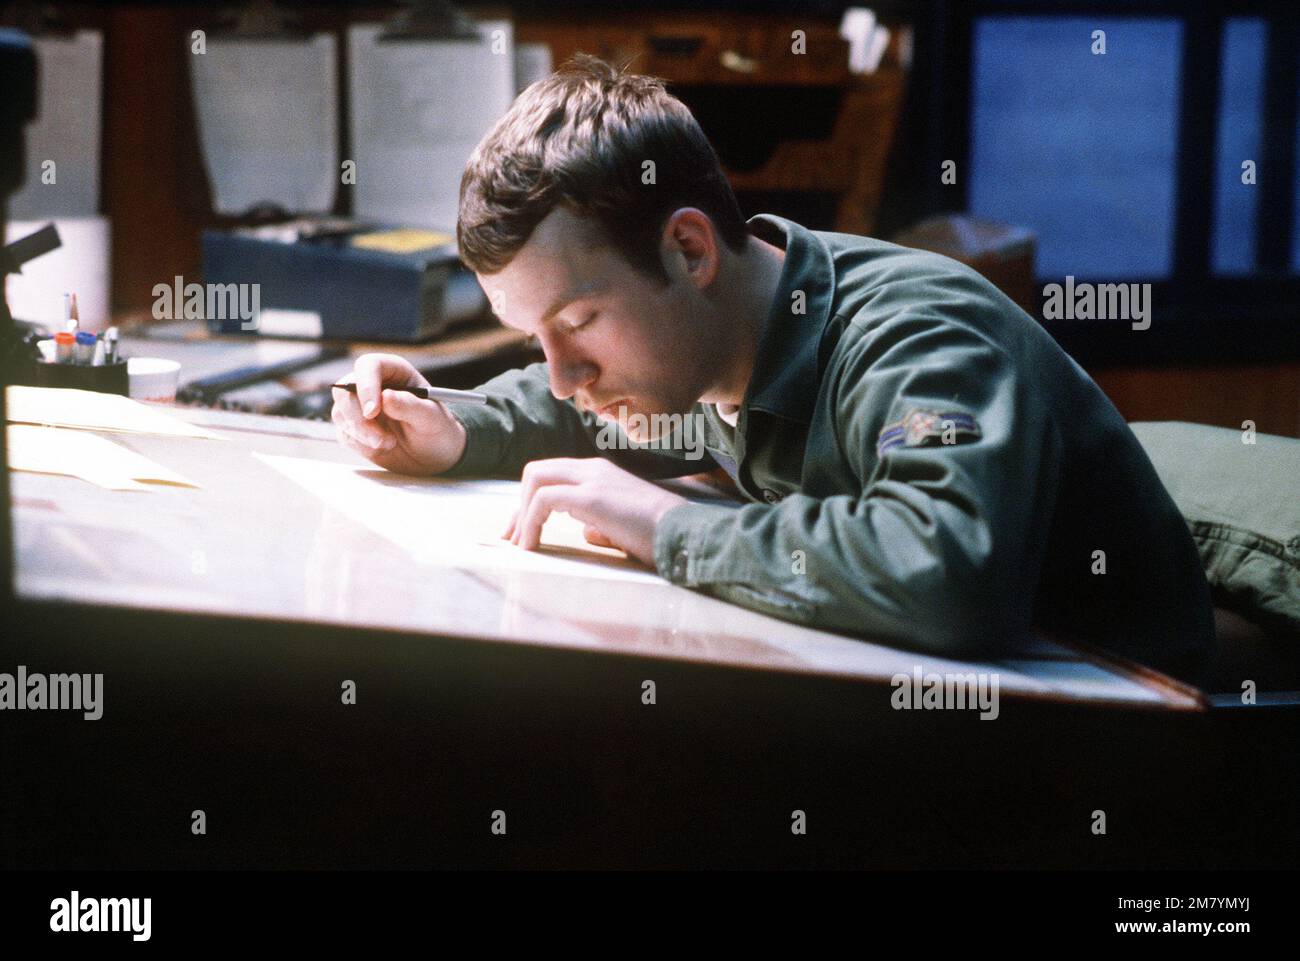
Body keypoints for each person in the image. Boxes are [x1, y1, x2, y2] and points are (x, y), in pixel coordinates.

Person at [332, 55, 1216, 684]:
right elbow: (579, 403)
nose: (564, 374)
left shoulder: (915, 335)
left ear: (688, 249)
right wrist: (457, 427)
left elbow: (946, 568)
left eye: (577, 322)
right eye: (536, 339)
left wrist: (665, 523)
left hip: (1128, 744)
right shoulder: (712, 342)